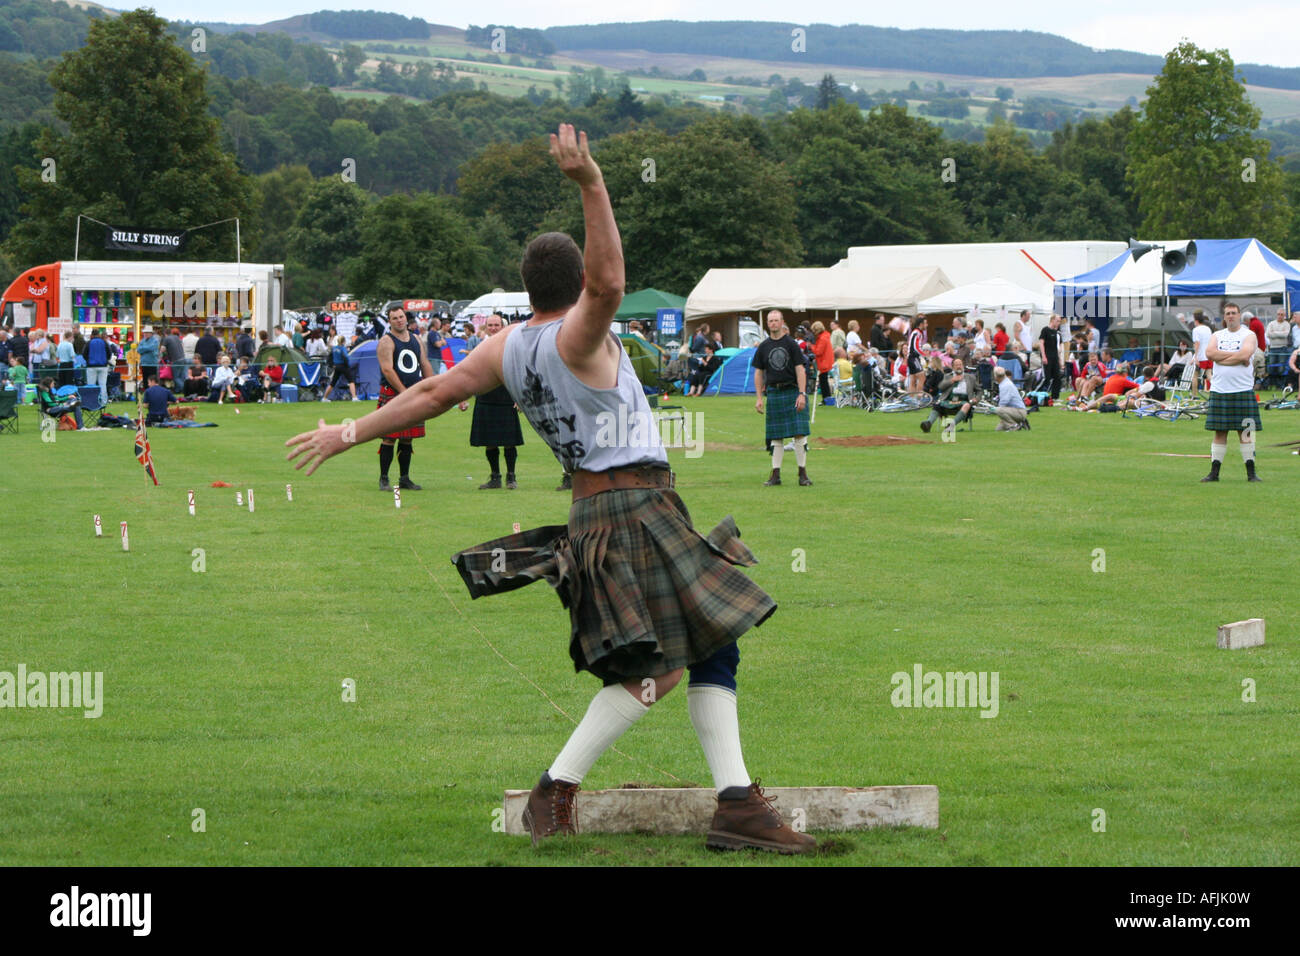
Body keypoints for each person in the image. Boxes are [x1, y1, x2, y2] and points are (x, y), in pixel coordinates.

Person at [288, 124, 813, 854]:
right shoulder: (578, 336)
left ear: (527, 285)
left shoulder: (509, 347)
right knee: (659, 665)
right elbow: (611, 285)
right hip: (633, 505)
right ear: (573, 288)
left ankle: (732, 803)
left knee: (711, 643)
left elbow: (436, 391)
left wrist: (350, 431)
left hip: (601, 509)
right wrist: (591, 184)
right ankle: (561, 790)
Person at [374, 304, 434, 491]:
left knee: (407, 438)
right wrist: (403, 391)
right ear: (390, 321)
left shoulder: (416, 338)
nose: (399, 320)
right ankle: (384, 478)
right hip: (394, 393)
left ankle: (404, 478)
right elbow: (387, 369)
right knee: (389, 437)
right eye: (395, 318)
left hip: (414, 391)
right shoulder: (386, 341)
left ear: (406, 318)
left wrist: (435, 386)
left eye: (401, 317)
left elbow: (424, 364)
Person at [1202, 303, 1261, 483]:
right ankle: (1214, 474)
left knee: (1245, 433)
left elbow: (1245, 355)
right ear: (1224, 316)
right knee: (1219, 433)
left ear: (1239, 315)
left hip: (1242, 390)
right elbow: (1209, 353)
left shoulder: (1249, 335)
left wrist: (1223, 358)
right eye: (1227, 313)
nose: (1230, 316)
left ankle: (1251, 474)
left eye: (1234, 313)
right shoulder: (1217, 335)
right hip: (1220, 390)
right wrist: (1234, 358)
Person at [466, 313, 526, 489]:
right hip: (485, 397)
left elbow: (518, 373)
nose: (493, 328)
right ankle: (495, 478)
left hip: (506, 398)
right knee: (489, 441)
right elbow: (472, 373)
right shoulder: (479, 347)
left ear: (502, 326)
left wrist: (519, 397)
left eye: (496, 325)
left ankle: (511, 477)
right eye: (490, 325)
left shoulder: (512, 346)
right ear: (485, 327)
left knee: (509, 441)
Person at [753, 310, 812, 487]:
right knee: (775, 436)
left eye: (776, 320)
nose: (773, 323)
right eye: (770, 321)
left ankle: (802, 474)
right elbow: (758, 372)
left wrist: (802, 393)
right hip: (774, 392)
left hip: (792, 391)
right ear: (767, 323)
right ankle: (775, 475)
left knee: (799, 433)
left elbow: (800, 369)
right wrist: (758, 398)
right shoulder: (763, 346)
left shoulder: (792, 344)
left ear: (782, 322)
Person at [992, 365, 1028, 431]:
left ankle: (1014, 426)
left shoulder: (1006, 385)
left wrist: (996, 409)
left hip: (1019, 411)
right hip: (1013, 410)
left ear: (996, 376)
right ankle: (1020, 423)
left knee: (998, 410)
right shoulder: (1004, 382)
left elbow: (1004, 401)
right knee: (998, 430)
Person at [326, 335, 358, 402]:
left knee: (333, 383)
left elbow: (329, 357)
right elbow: (345, 357)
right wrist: (347, 364)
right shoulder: (342, 348)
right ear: (344, 341)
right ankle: (354, 397)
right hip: (343, 366)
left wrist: (332, 365)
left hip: (336, 366)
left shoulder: (334, 348)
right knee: (351, 381)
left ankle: (324, 398)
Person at [84, 328, 112, 406]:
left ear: (91, 335)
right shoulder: (104, 342)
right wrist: (106, 360)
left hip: (91, 367)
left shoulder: (89, 343)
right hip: (103, 366)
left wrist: (88, 361)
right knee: (103, 385)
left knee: (91, 385)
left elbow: (84, 354)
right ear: (99, 335)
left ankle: (91, 402)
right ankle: (103, 402)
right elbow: (109, 353)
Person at [1038, 314, 1063, 401]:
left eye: (1059, 321)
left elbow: (1057, 347)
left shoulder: (1057, 333)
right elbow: (1041, 343)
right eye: (1057, 321)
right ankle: (1036, 393)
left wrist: (1060, 360)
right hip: (1047, 357)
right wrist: (1044, 356)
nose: (1059, 323)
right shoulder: (1045, 330)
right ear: (1052, 320)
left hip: (1055, 357)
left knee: (1057, 377)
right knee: (1046, 378)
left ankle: (1055, 397)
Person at [905, 315, 928, 395]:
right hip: (913, 357)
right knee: (922, 377)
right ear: (921, 324)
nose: (927, 325)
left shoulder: (915, 332)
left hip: (910, 357)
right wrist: (925, 355)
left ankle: (911, 399)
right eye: (925, 323)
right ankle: (919, 398)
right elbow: (916, 347)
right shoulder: (917, 333)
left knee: (913, 379)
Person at [1191, 312, 1212, 396]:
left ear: (1196, 321)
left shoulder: (1196, 330)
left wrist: (1195, 357)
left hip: (1200, 356)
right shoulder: (1208, 329)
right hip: (1208, 355)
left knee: (1194, 376)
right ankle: (1218, 391)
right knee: (1209, 375)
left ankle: (1194, 395)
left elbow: (1197, 343)